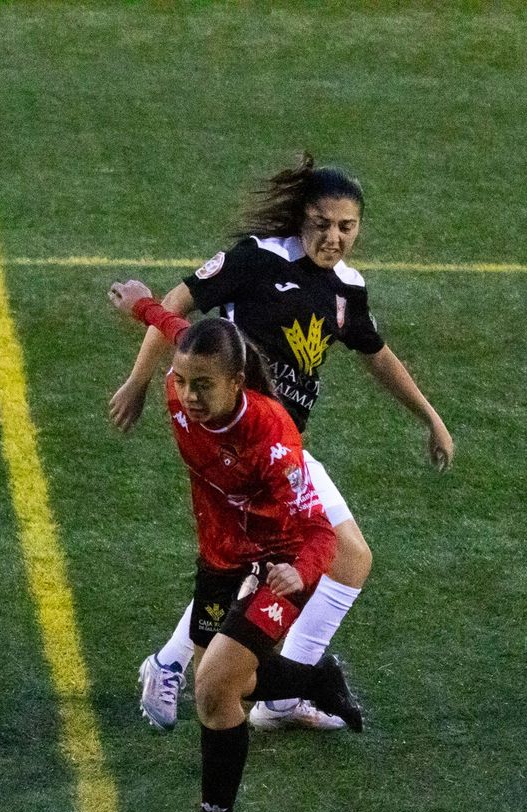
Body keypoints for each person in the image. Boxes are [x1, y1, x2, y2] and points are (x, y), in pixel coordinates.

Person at [109, 153, 454, 733]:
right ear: (300, 218)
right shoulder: (257, 260)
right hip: (241, 441)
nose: (334, 237)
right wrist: (139, 381)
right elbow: (177, 310)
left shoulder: (347, 288)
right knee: (328, 557)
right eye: (322, 223)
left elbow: (377, 355)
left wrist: (430, 417)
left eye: (347, 227)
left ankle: (236, 678)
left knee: (312, 560)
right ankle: (195, 669)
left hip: (283, 450)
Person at [108, 279, 362, 812]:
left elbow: (319, 530)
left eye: (203, 387)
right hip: (220, 560)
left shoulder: (272, 437)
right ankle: (313, 679)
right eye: (182, 381)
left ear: (235, 382)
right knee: (228, 689)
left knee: (214, 687)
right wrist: (143, 305)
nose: (188, 396)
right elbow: (176, 329)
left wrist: (299, 573)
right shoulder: (186, 377)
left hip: (280, 568)